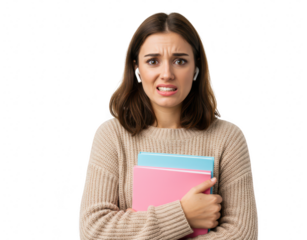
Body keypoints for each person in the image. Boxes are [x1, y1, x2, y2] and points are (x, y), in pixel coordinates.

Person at [79, 11, 258, 240]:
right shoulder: (111, 136)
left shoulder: (228, 138)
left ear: (196, 68)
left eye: (180, 61)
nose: (166, 74)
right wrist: (184, 214)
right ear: (137, 68)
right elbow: (93, 230)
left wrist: (135, 230)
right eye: (153, 61)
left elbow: (243, 234)